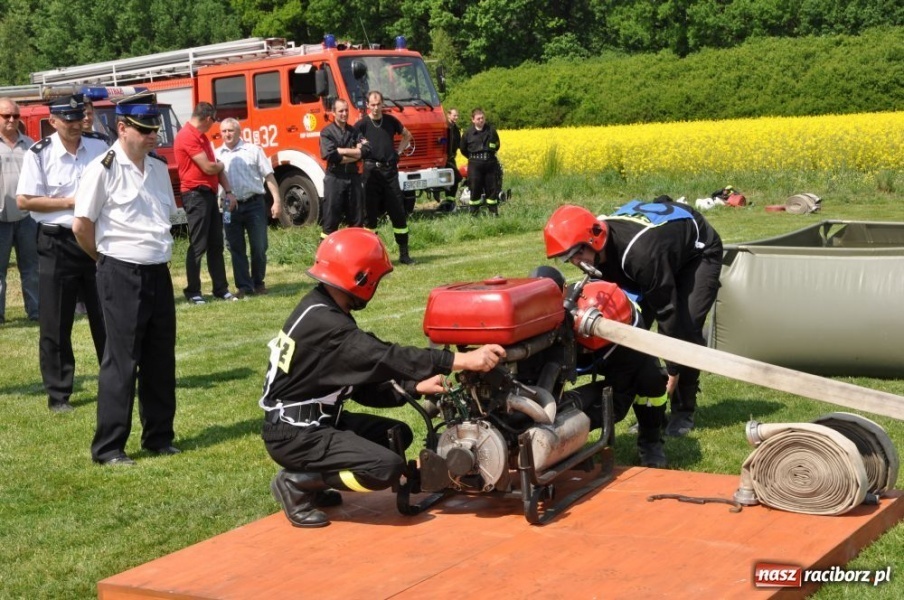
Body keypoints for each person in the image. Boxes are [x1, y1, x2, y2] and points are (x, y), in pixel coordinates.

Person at [260, 228, 506, 528]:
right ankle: (297, 482)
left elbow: (359, 385)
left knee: (397, 436)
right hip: (296, 434)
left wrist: (413, 386)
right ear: (362, 279)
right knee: (385, 468)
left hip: (312, 422)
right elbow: (386, 356)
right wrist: (459, 360)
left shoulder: (320, 308)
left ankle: (315, 482)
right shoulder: (329, 327)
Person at [543, 200, 723, 437]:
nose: (576, 263)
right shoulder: (601, 248)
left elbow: (667, 310)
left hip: (697, 252)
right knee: (631, 328)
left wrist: (673, 369)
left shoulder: (642, 256)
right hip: (657, 250)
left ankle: (683, 409)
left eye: (576, 255)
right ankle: (649, 409)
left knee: (685, 329)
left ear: (593, 240)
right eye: (569, 259)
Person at [73, 92, 180, 465]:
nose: (153, 136)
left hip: (157, 270)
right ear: (122, 127)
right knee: (121, 361)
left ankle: (159, 436)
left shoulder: (157, 168)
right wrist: (103, 261)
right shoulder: (102, 168)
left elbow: (166, 218)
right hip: (120, 270)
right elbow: (81, 225)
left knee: (160, 357)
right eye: (145, 129)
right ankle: (109, 447)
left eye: (155, 130)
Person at [16, 93, 109, 413]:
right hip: (56, 243)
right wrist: (73, 201)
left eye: (77, 118)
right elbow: (25, 201)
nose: (74, 125)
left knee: (107, 316)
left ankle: (116, 380)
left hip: (95, 240)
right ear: (52, 121)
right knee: (55, 322)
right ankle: (59, 394)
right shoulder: (38, 154)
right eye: (66, 120)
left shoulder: (98, 145)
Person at [530, 266, 668, 467]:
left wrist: (577, 422)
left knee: (651, 378)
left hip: (618, 353)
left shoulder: (631, 337)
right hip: (572, 350)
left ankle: (651, 441)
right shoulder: (552, 320)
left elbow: (618, 404)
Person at [174, 102, 238, 304]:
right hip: (195, 195)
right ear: (209, 118)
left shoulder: (202, 137)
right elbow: (210, 168)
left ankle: (221, 289)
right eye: (214, 121)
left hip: (209, 194)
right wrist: (221, 164)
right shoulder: (187, 136)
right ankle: (193, 291)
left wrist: (228, 191)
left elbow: (215, 170)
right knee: (198, 244)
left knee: (215, 244)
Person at [215, 117, 282, 298]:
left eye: (231, 130)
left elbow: (269, 177)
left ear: (239, 132)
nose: (227, 134)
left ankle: (258, 282)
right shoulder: (216, 155)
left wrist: (277, 200)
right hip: (230, 207)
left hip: (254, 204)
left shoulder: (253, 150)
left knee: (259, 246)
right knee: (235, 247)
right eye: (224, 131)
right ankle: (244, 286)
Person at [354, 91, 415, 265]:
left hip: (390, 173)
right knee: (370, 216)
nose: (375, 108)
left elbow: (407, 135)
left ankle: (404, 254)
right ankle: (371, 257)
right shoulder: (361, 125)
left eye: (378, 104)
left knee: (398, 213)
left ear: (382, 104)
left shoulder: (390, 121)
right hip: (371, 173)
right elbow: (353, 141)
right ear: (367, 105)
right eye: (372, 104)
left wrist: (398, 152)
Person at [0, 97, 38, 324]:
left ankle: (36, 312)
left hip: (27, 217)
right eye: (6, 116)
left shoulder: (30, 144)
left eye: (15, 116)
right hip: (0, 216)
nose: (12, 120)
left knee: (32, 268)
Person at [319, 99, 367, 238]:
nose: (344, 113)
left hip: (353, 178)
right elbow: (330, 155)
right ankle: (325, 256)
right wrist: (355, 153)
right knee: (330, 220)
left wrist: (341, 150)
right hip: (335, 179)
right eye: (341, 111)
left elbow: (367, 150)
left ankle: (357, 256)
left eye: (346, 110)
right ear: (333, 113)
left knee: (357, 220)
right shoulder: (326, 133)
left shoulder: (354, 131)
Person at [459, 108, 501, 216]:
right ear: (473, 120)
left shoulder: (491, 131)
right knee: (475, 188)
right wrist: (474, 158)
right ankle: (474, 214)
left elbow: (497, 145)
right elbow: (463, 148)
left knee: (491, 189)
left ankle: (493, 213)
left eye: (482, 118)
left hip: (490, 164)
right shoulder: (468, 133)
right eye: (478, 119)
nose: (481, 120)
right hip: (475, 165)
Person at [438, 107, 462, 211]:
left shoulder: (455, 128)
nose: (456, 117)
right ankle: (448, 200)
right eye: (454, 115)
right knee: (456, 177)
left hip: (452, 158)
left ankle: (450, 200)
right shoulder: (444, 127)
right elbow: (440, 140)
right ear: (448, 115)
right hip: (444, 159)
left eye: (457, 115)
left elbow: (459, 143)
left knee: (454, 179)